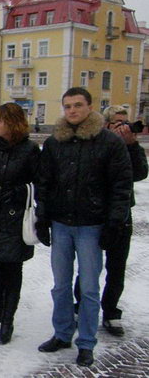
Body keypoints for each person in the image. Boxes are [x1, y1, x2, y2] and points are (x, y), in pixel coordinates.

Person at [35, 88, 132, 367]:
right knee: (60, 286)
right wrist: (42, 217)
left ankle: (86, 342)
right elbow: (44, 183)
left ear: (90, 107)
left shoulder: (109, 142)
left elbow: (121, 185)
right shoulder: (55, 142)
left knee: (89, 288)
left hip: (92, 225)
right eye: (67, 106)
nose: (72, 111)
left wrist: (114, 222)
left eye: (78, 105)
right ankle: (62, 333)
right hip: (61, 224)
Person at [71, 106, 147, 337]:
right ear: (105, 124)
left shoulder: (129, 146)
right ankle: (81, 305)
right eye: (117, 123)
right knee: (88, 265)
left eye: (125, 122)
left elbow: (140, 173)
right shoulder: (96, 144)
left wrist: (131, 145)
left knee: (117, 266)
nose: (123, 127)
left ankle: (111, 311)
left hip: (121, 214)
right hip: (94, 213)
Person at [0, 103, 40, 344]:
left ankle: (8, 320)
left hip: (15, 219)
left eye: (0, 120)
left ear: (14, 123)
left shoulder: (30, 149)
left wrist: (19, 192)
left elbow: (41, 182)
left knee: (12, 269)